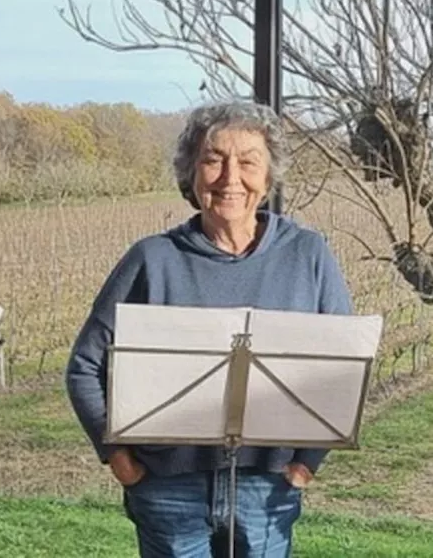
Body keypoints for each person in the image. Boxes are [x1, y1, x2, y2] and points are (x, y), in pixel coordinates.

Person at [66, 101, 354, 558]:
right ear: (192, 173)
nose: (229, 177)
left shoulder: (309, 254)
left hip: (268, 487)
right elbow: (85, 366)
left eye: (247, 161)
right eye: (213, 159)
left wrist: (306, 464)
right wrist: (118, 458)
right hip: (167, 488)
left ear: (269, 175)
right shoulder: (151, 260)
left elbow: (344, 370)